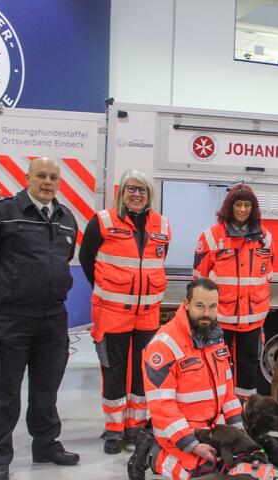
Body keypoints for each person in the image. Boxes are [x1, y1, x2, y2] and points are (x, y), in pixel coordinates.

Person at [0, 157, 80, 480]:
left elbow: (64, 259)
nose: (47, 182)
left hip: (53, 318)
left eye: (53, 177)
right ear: (27, 178)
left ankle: (45, 444)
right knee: (5, 391)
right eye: (41, 175)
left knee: (47, 388)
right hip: (11, 318)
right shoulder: (2, 213)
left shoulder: (67, 218)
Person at [128, 279, 273, 480]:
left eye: (212, 306)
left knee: (255, 469)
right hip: (178, 435)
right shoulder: (163, 346)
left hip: (215, 432)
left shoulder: (215, 338)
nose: (207, 313)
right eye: (200, 306)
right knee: (207, 474)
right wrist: (192, 445)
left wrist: (239, 433)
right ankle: (153, 453)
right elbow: (162, 407)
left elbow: (227, 394)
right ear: (186, 304)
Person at [78, 170, 171, 454]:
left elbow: (158, 259)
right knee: (114, 370)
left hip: (147, 314)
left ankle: (136, 427)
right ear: (122, 192)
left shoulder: (162, 225)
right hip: (112, 312)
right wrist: (105, 288)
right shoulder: (103, 221)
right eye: (131, 188)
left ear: (149, 195)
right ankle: (114, 430)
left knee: (143, 372)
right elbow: (86, 258)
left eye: (142, 190)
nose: (137, 194)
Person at [193, 184, 274, 398]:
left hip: (253, 319)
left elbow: (267, 275)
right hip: (220, 318)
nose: (242, 209)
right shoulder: (210, 236)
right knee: (217, 364)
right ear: (230, 206)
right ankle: (219, 408)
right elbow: (198, 280)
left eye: (247, 205)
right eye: (238, 204)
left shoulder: (265, 238)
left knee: (249, 365)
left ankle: (245, 412)